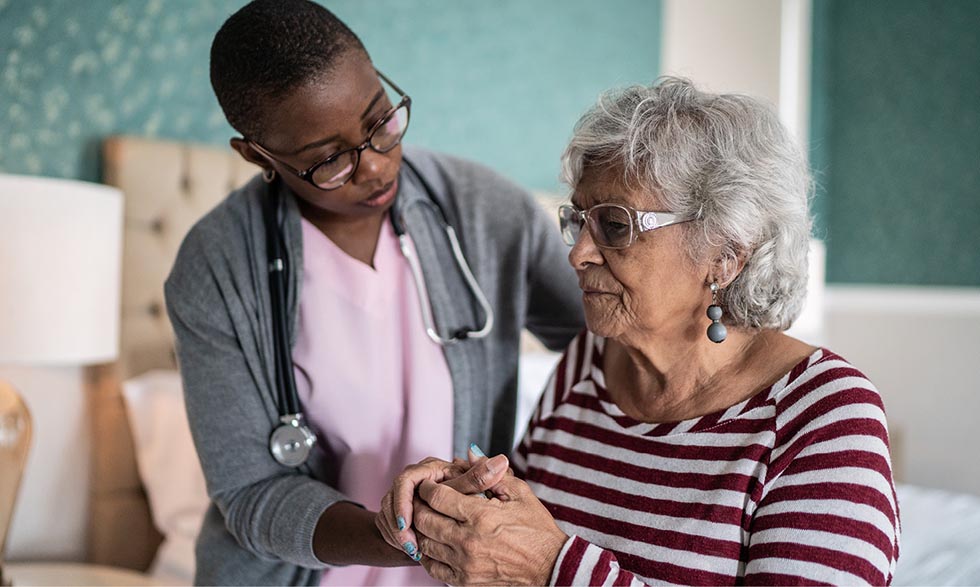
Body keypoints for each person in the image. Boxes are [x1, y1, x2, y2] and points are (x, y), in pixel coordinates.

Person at [378, 77, 901, 586]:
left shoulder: (824, 417)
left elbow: (539, 560)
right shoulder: (588, 362)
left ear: (724, 256)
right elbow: (517, 544)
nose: (577, 254)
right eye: (579, 220)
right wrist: (460, 511)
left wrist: (551, 568)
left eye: (615, 225)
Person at [163, 0, 584, 584]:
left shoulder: (489, 213)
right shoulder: (216, 268)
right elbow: (252, 491)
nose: (375, 169)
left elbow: (615, 339)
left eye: (380, 122)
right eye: (330, 160)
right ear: (256, 155)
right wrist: (401, 536)